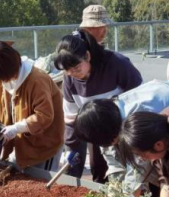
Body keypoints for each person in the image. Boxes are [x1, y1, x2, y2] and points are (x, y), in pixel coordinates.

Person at [75, 80, 169, 197]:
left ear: (112, 134)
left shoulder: (137, 124)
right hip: (159, 95)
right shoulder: (104, 122)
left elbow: (137, 170)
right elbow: (115, 166)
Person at [54, 29, 142, 183]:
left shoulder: (116, 63)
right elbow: (71, 119)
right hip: (98, 133)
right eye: (67, 70)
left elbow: (140, 97)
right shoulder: (69, 79)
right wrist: (72, 152)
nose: (71, 73)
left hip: (128, 129)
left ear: (87, 56)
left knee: (135, 174)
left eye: (76, 68)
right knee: (99, 172)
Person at [0, 42, 64, 171]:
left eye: (0, 76)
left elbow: (44, 115)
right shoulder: (1, 77)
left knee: (41, 183)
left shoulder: (37, 80)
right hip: (21, 145)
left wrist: (17, 128)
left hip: (43, 145)